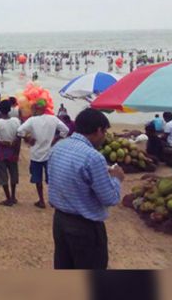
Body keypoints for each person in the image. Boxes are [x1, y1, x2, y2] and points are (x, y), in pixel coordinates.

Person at [48, 108, 124, 269]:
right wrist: (116, 178)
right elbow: (110, 198)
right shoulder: (93, 157)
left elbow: (54, 179)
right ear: (98, 130)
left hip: (60, 221)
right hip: (84, 227)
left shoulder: (59, 147)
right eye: (104, 132)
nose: (104, 137)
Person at [18, 103, 69, 209]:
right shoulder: (53, 119)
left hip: (36, 154)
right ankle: (54, 200)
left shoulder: (32, 120)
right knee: (51, 179)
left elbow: (19, 131)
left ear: (36, 109)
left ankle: (41, 200)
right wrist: (56, 138)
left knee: (38, 179)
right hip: (50, 154)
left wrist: (27, 138)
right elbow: (65, 130)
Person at [0, 100, 21, 207]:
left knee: (3, 176)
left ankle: (8, 198)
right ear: (9, 110)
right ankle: (13, 196)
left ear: (0, 110)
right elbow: (19, 137)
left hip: (2, 152)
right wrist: (17, 152)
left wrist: (3, 143)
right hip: (13, 151)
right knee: (13, 175)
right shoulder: (16, 121)